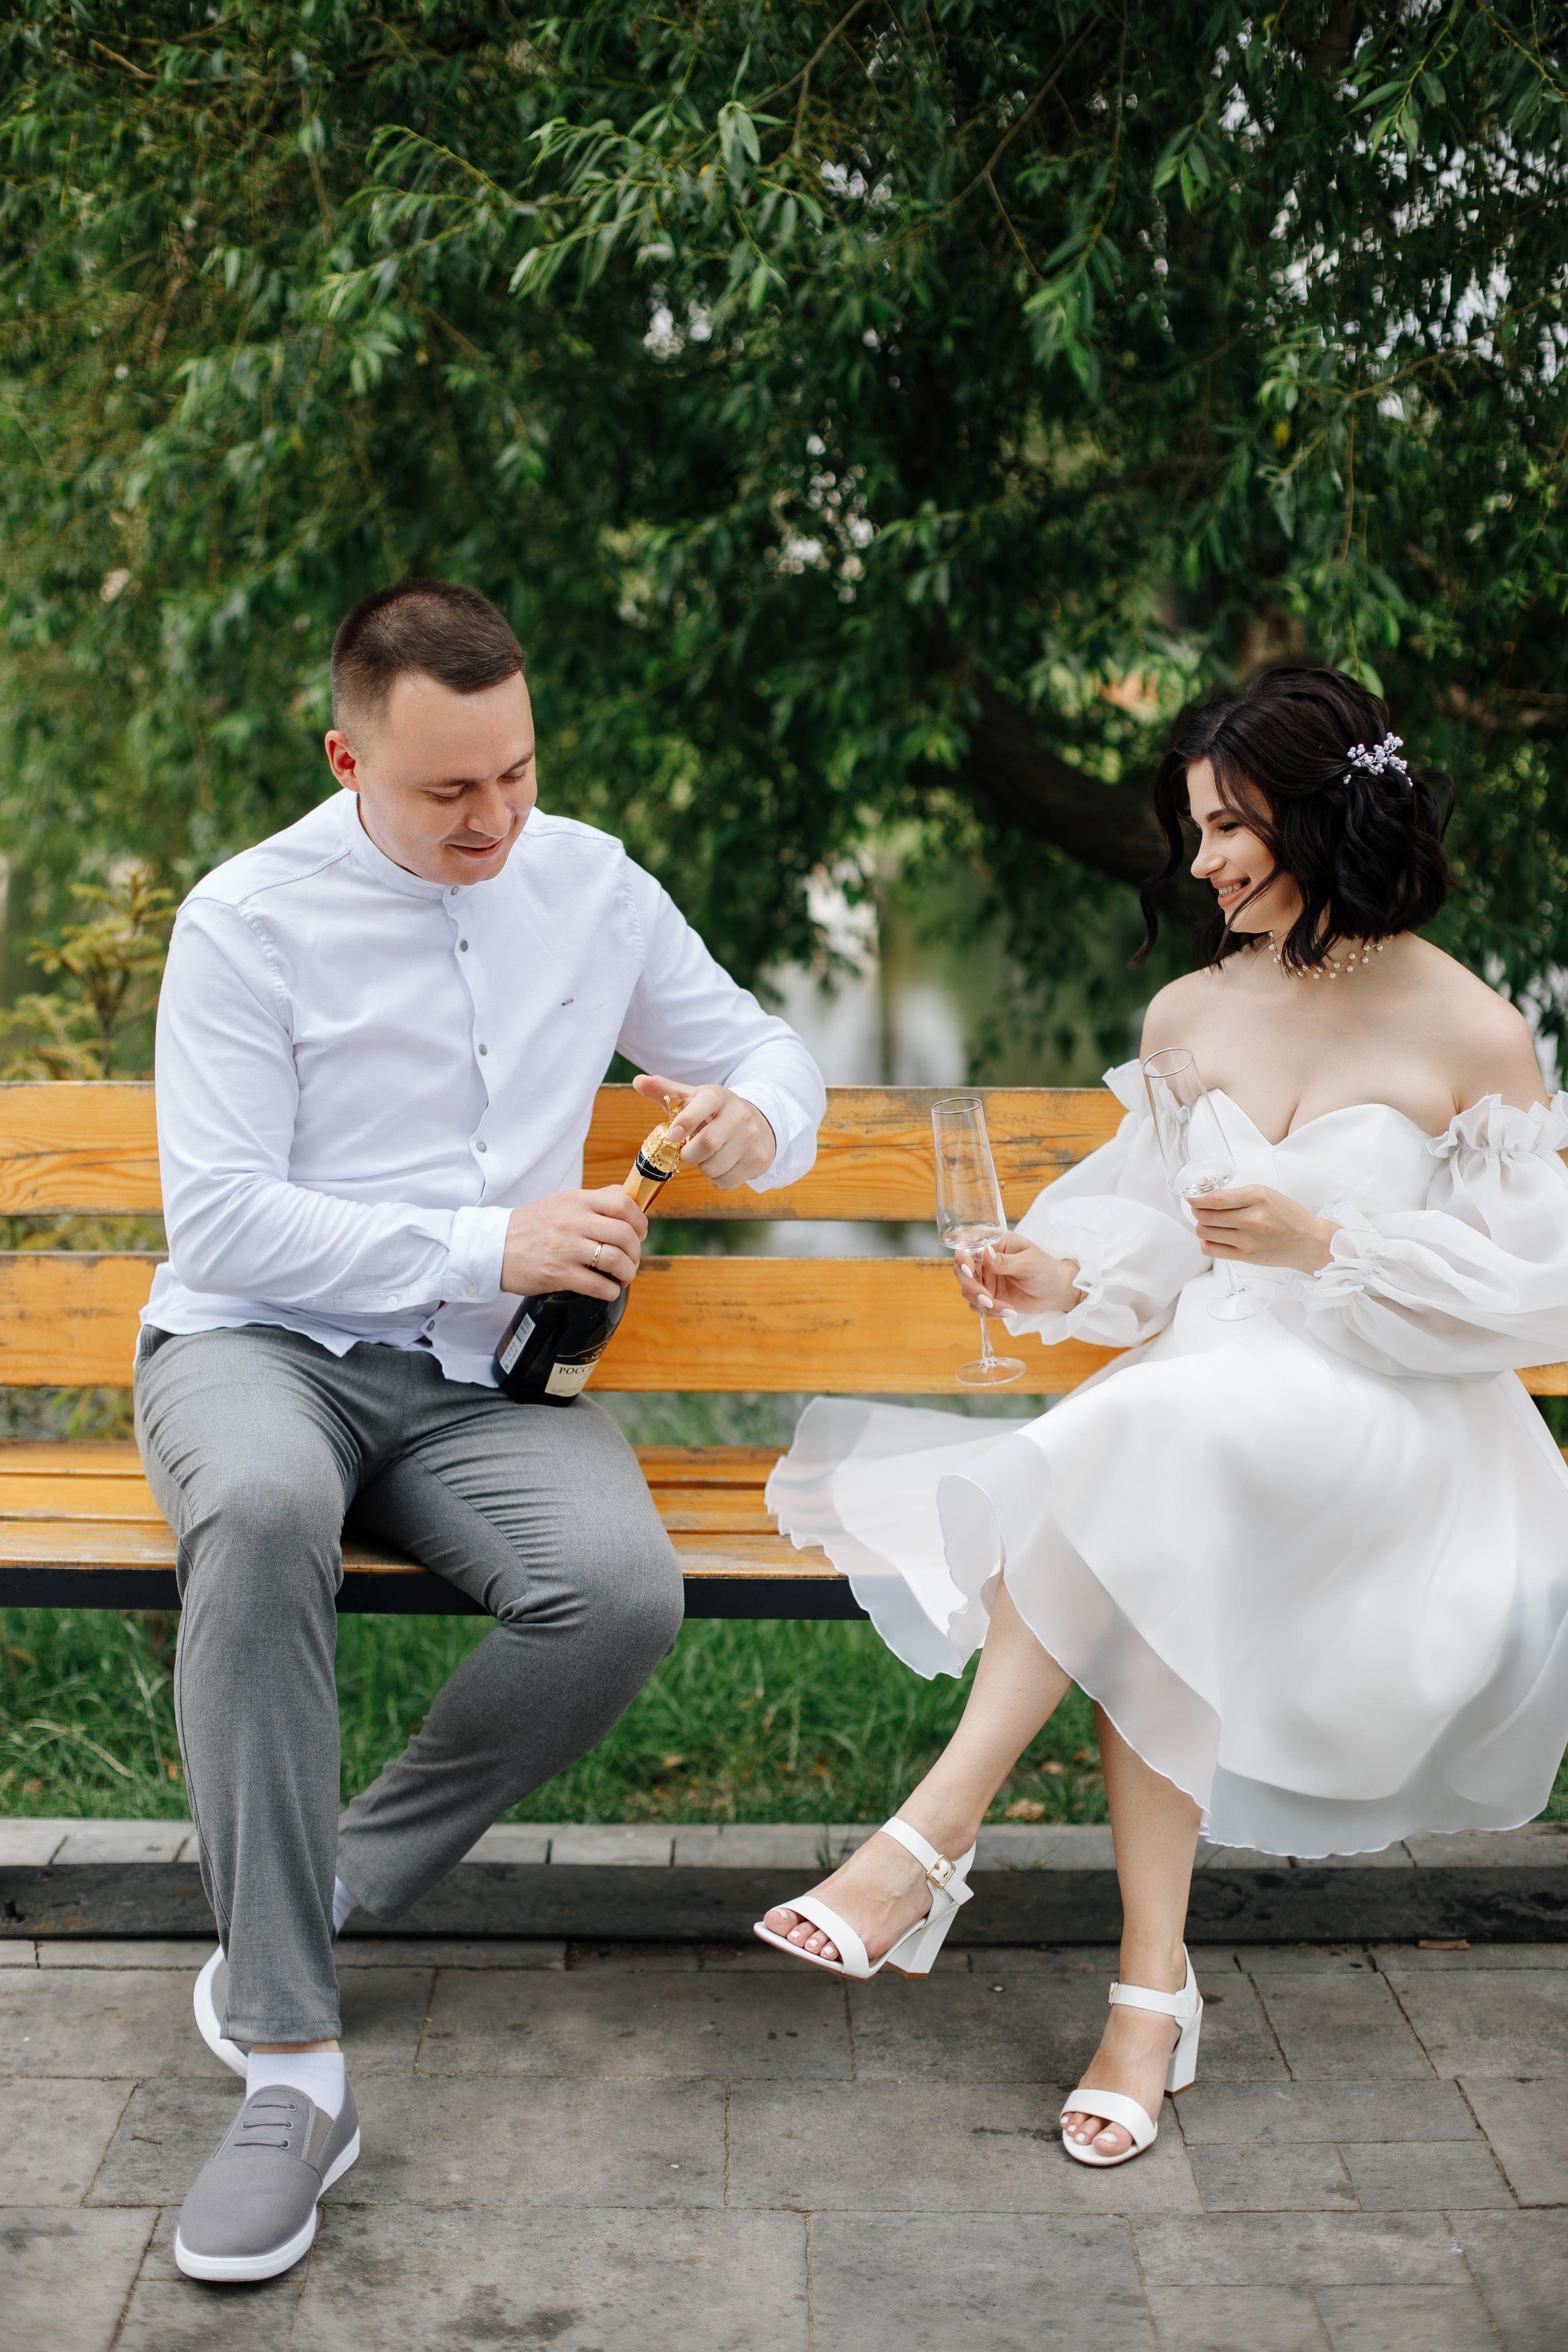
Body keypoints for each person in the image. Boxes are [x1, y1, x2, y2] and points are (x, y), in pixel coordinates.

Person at [760, 664, 1568, 2169]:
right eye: (1191, 831)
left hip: (1383, 1430)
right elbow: (1149, 1249)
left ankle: (931, 1837)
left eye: (1225, 828)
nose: (1198, 865)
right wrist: (1052, 1268)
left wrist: (1334, 1246)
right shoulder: (1189, 1009)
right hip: (1200, 1416)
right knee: (1152, 1490)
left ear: (1321, 812)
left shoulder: (1470, 1029)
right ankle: (1146, 1996)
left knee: (1135, 1456)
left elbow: (1539, 1300)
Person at [138, 577, 825, 2281]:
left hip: (477, 1383)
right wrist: (486, 1243)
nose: (496, 818)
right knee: (267, 1515)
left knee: (620, 1592)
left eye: (515, 772)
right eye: (450, 789)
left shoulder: (586, 880)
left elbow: (756, 1040)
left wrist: (748, 1121)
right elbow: (219, 1221)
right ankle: (295, 2069)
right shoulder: (244, 919)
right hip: (258, 1347)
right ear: (347, 755)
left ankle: (325, 1884)